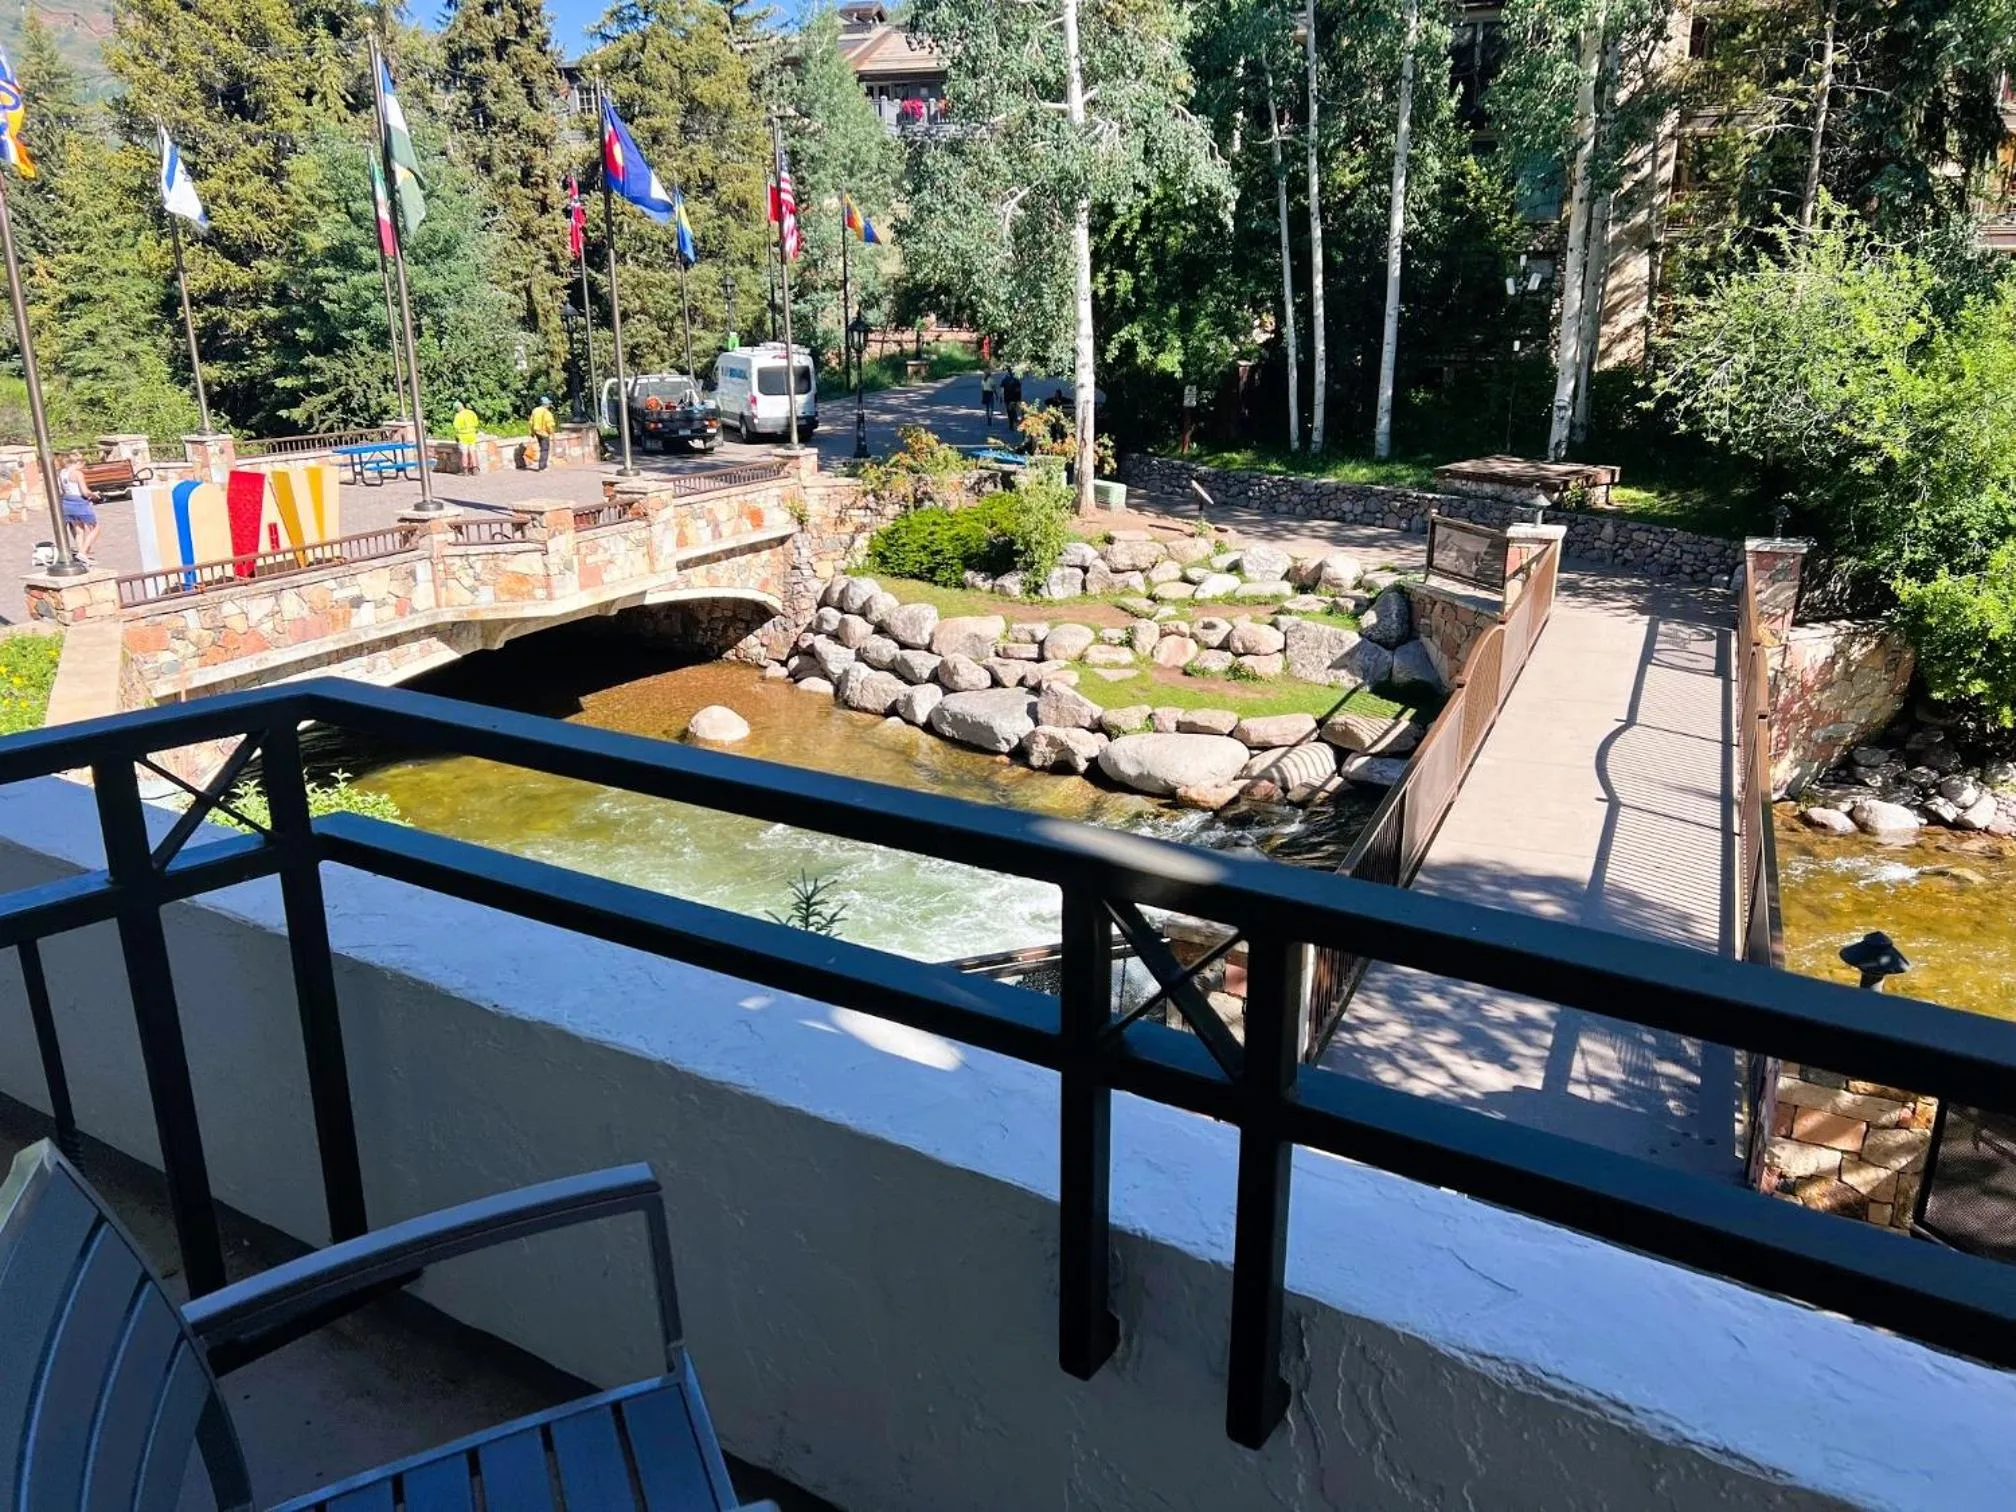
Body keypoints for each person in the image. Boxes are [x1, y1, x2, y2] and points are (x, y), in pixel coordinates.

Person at [57, 451, 99, 565]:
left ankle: (82, 555)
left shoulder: (62, 472)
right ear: (79, 462)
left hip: (67, 502)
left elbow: (61, 490)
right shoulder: (77, 473)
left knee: (79, 530)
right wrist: (94, 494)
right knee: (95, 528)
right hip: (79, 502)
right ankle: (83, 552)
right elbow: (85, 492)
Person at [451, 399, 480, 474]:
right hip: (472, 435)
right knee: (472, 452)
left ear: (457, 408)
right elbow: (476, 423)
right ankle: (475, 468)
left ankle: (465, 470)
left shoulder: (458, 415)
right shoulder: (471, 412)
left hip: (463, 437)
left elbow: (456, 426)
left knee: (464, 453)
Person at [529, 395, 556, 470]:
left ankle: (542, 465)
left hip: (537, 432)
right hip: (544, 433)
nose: (549, 405)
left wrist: (532, 432)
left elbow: (531, 422)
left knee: (542, 448)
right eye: (548, 404)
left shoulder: (535, 410)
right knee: (545, 449)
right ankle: (542, 466)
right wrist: (552, 433)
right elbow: (549, 424)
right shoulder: (547, 413)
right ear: (546, 404)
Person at [1001, 369, 1024, 436]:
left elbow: (1002, 389)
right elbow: (1019, 390)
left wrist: (1001, 397)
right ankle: (1014, 421)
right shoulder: (1016, 380)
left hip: (1007, 398)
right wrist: (1019, 399)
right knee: (1013, 410)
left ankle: (1011, 424)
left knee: (1009, 411)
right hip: (1014, 398)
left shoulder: (1004, 380)